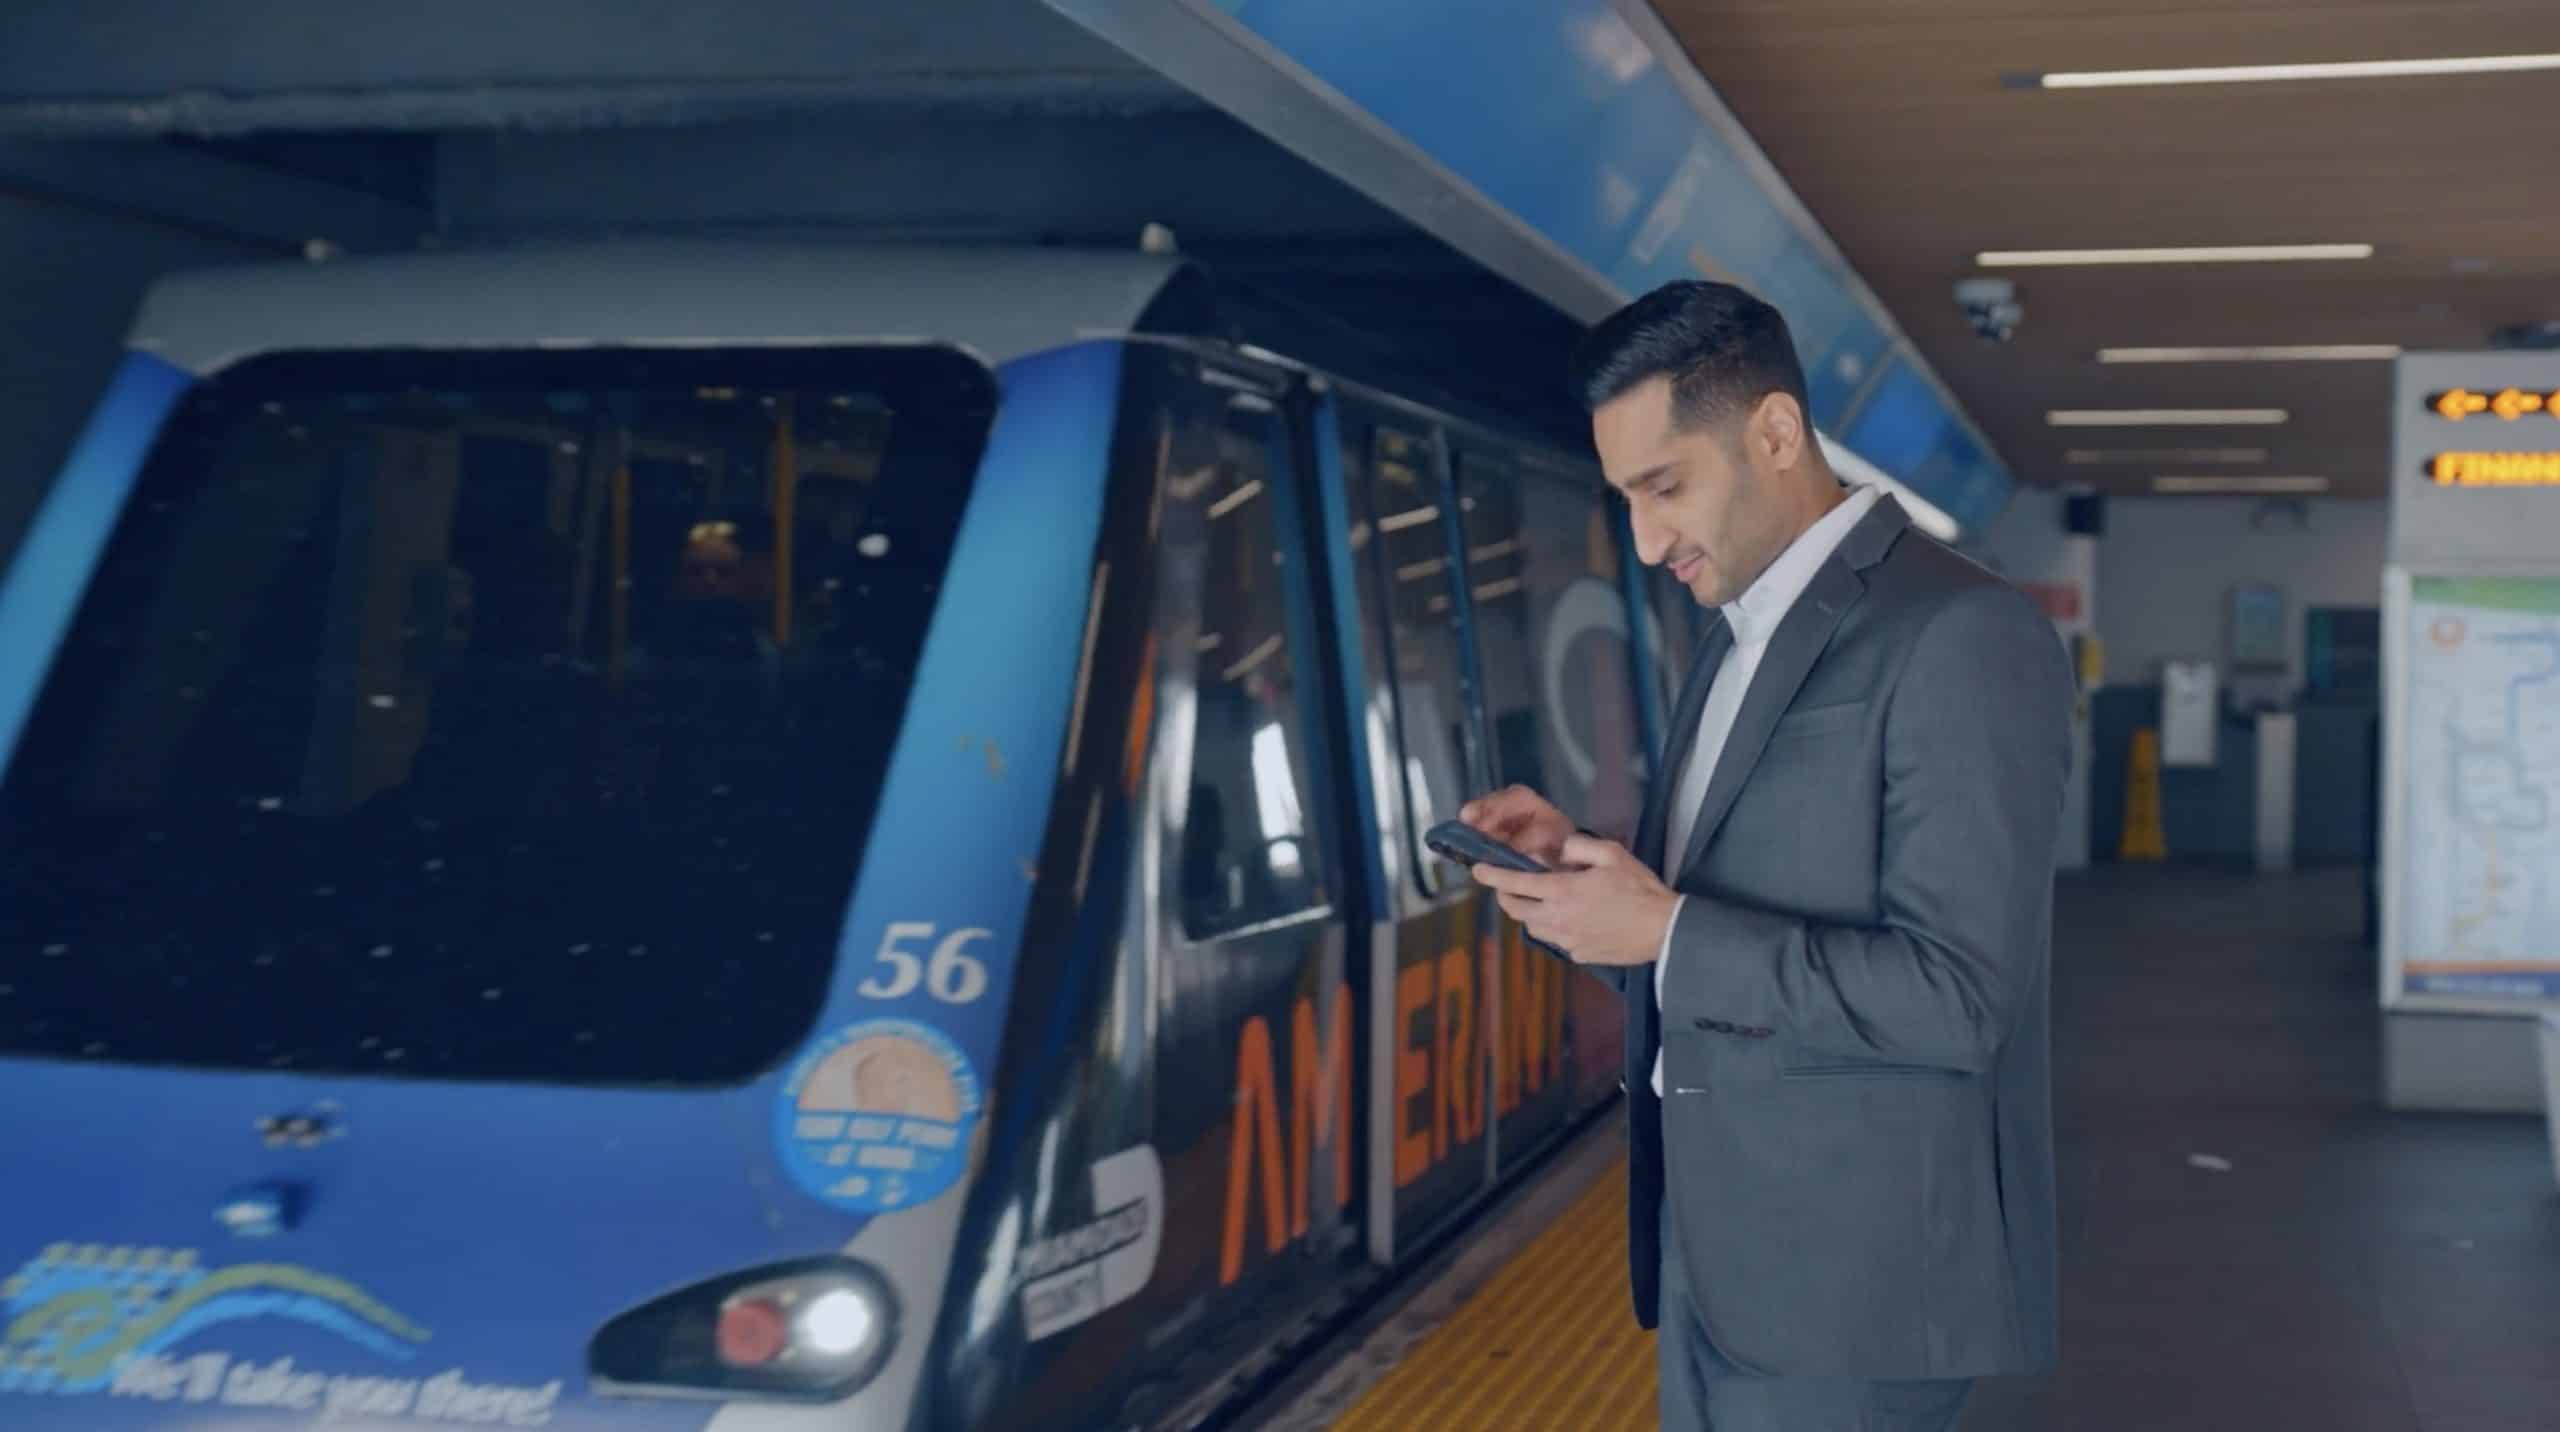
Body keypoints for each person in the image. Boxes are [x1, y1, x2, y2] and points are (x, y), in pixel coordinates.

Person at [1459, 281, 2072, 1432]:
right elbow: (1702, 948)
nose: (1644, 542)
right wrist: (1595, 890)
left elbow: (1960, 999)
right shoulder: (1736, 637)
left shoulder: (1962, 634)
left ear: (1776, 433)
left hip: (1850, 1282)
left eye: (1665, 487)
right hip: (1717, 1248)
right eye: (1625, 499)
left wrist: (1668, 932)